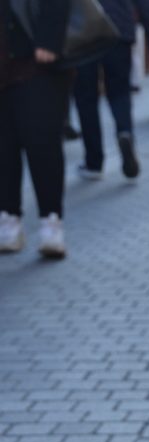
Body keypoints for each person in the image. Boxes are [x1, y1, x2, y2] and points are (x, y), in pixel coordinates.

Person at [0, 0, 70, 257]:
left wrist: (50, 40)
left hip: (35, 60)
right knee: (4, 146)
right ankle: (8, 217)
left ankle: (51, 220)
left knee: (42, 140)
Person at [74, 0, 149, 181]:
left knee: (86, 98)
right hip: (118, 30)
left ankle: (94, 161)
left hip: (83, 33)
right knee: (120, 92)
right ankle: (125, 132)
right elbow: (145, 5)